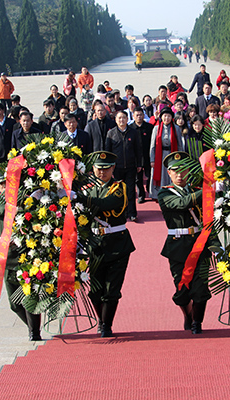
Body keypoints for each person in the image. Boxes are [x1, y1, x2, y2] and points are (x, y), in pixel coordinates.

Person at [78, 151, 136, 337]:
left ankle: (106, 325)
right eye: (98, 168)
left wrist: (78, 198)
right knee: (95, 291)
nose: (101, 172)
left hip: (117, 244)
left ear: (112, 169)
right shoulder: (87, 188)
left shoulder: (120, 187)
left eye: (106, 168)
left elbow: (105, 204)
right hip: (95, 245)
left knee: (111, 290)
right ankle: (102, 320)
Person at [157, 151, 215, 334]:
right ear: (169, 172)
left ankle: (198, 322)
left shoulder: (196, 189)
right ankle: (187, 316)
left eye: (183, 170)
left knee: (200, 288)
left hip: (199, 243)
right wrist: (206, 190)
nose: (179, 175)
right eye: (175, 171)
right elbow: (182, 204)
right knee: (182, 290)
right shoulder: (164, 193)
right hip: (177, 246)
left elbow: (209, 218)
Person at [0, 165, 40, 340]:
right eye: (2, 185)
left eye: (8, 184)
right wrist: (15, 206)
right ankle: (31, 326)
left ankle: (34, 332)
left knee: (29, 295)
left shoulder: (24, 199)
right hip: (6, 256)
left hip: (25, 254)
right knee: (14, 303)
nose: (4, 189)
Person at [105, 111, 142, 222]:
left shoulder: (133, 132)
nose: (122, 120)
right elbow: (108, 151)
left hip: (131, 167)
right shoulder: (111, 133)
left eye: (124, 118)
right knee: (118, 191)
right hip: (116, 168)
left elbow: (138, 150)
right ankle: (120, 213)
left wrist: (139, 164)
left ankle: (132, 213)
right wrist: (109, 167)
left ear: (127, 119)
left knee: (130, 190)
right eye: (119, 118)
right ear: (116, 120)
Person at [149, 108, 184, 199]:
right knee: (160, 174)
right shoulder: (156, 128)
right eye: (165, 116)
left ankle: (171, 192)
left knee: (171, 174)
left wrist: (180, 158)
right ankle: (158, 194)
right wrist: (152, 159)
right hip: (159, 156)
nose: (166, 118)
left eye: (169, 116)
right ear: (161, 117)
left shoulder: (176, 128)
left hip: (172, 155)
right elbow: (152, 146)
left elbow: (180, 144)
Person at [129, 108, 153, 202]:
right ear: (133, 116)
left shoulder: (149, 127)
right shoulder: (130, 128)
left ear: (143, 116)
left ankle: (149, 190)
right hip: (135, 157)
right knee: (137, 178)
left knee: (149, 175)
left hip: (147, 155)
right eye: (137, 115)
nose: (139, 117)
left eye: (141, 115)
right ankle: (141, 195)